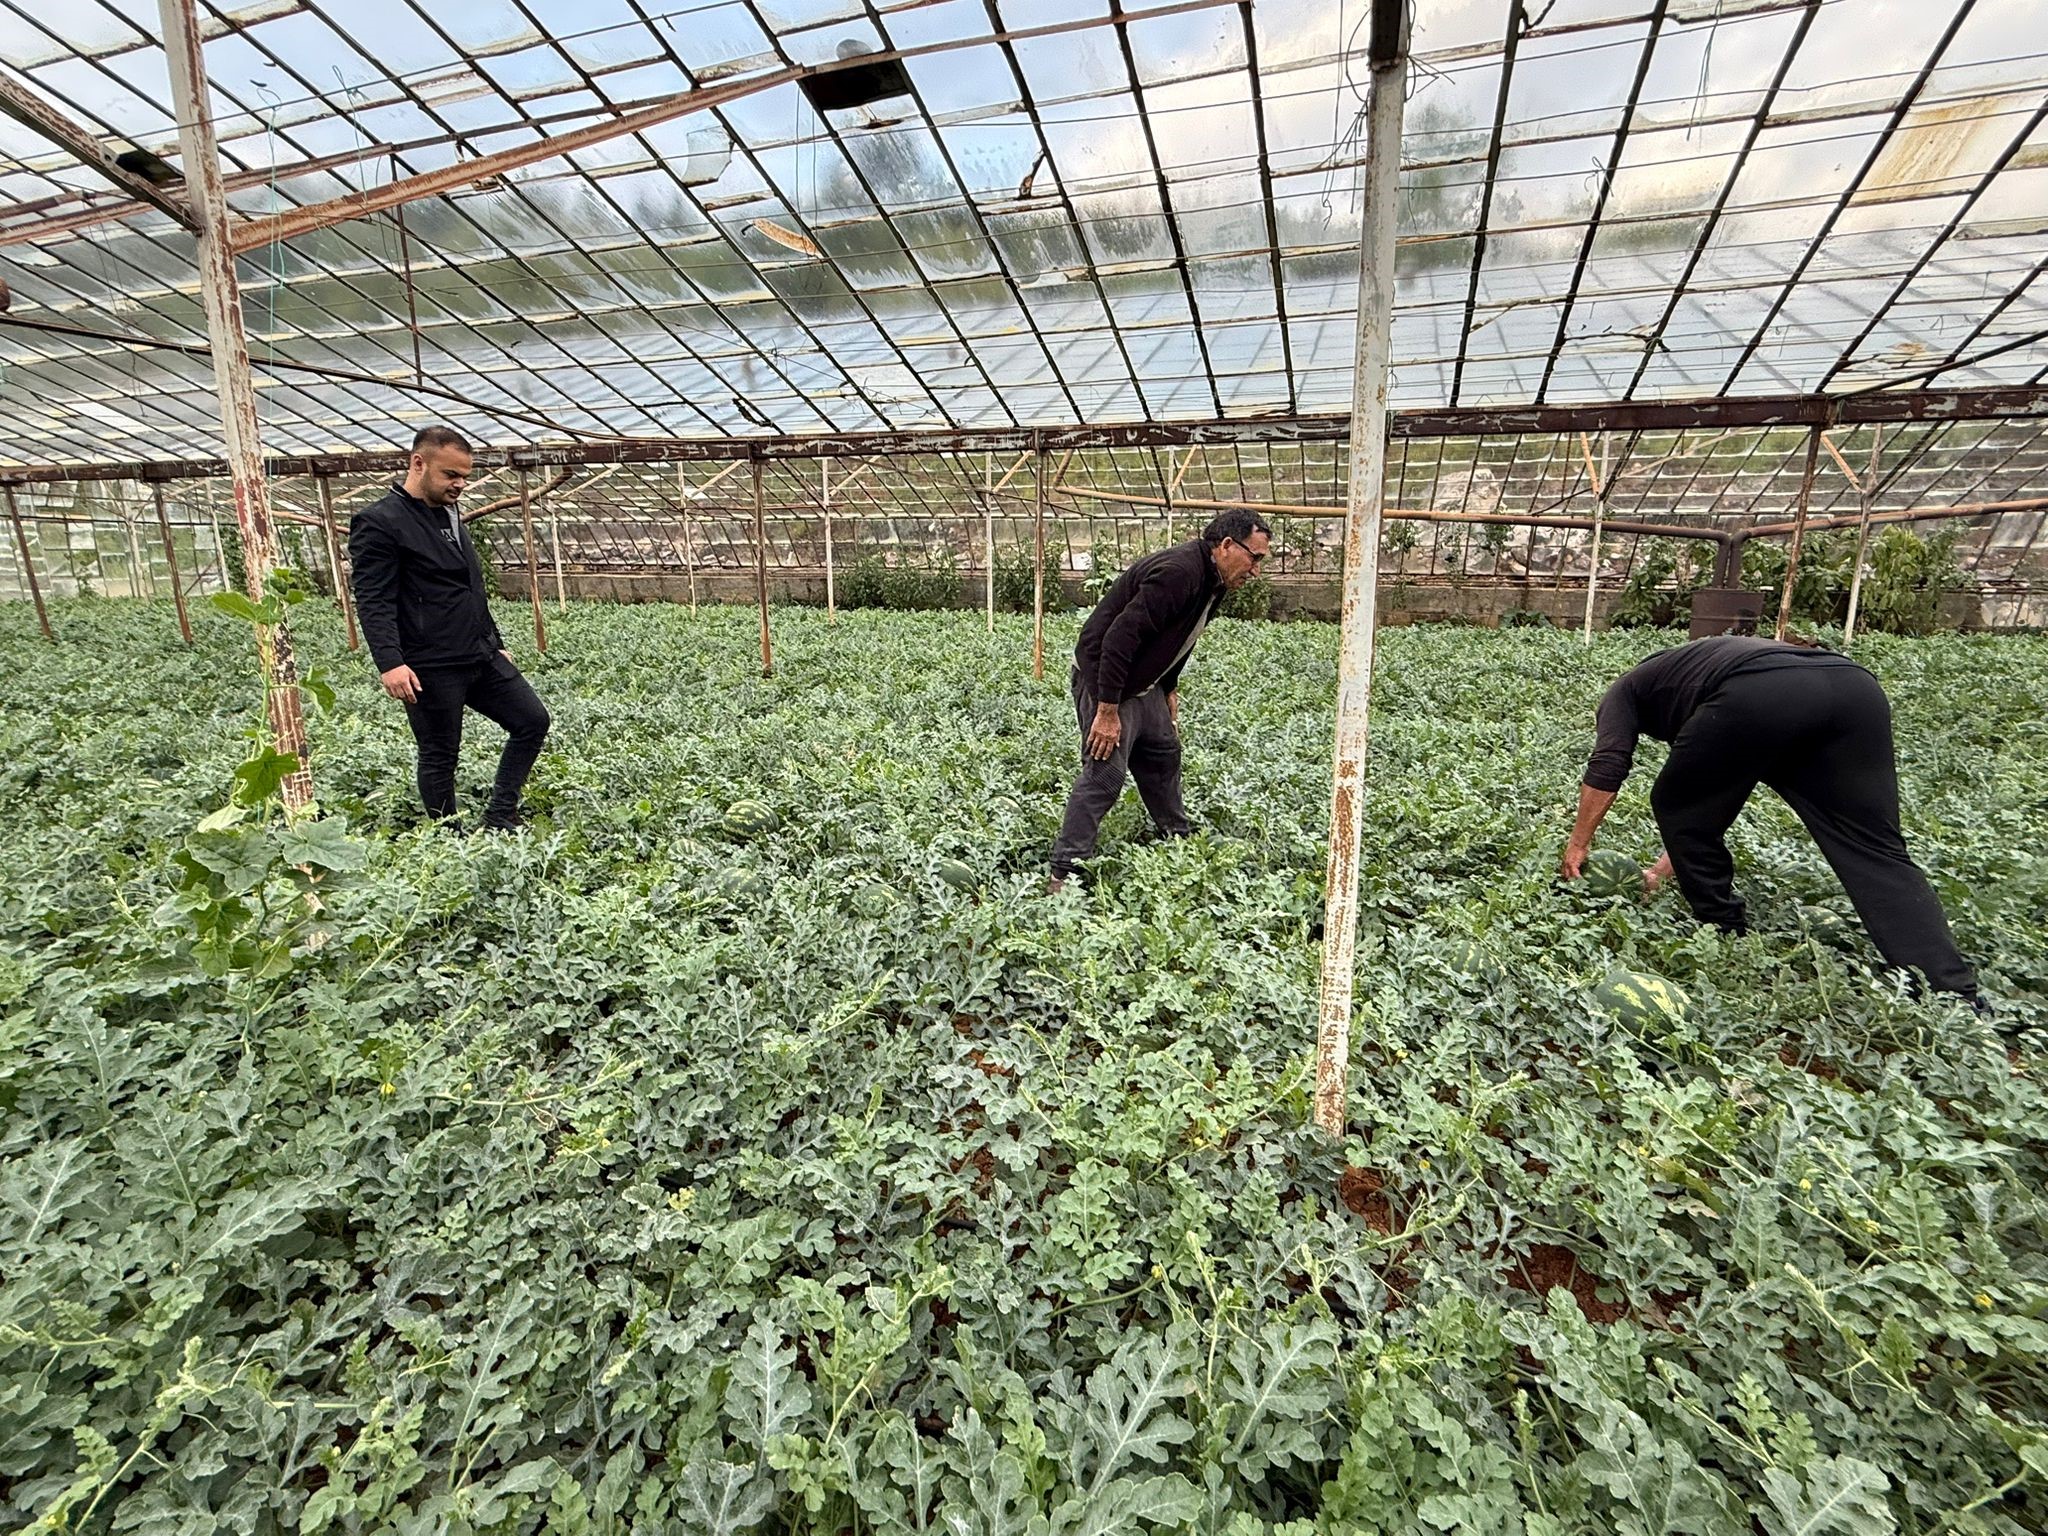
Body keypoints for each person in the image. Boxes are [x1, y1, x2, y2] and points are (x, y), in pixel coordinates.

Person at [1560, 633, 1979, 1003]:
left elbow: (1609, 764)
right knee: (1872, 845)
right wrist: (1663, 871)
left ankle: (1722, 926)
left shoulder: (1623, 691)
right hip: (1856, 688)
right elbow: (1713, 798)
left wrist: (1578, 844)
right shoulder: (1699, 670)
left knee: (1672, 800)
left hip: (1765, 691)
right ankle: (1952, 992)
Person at [1048, 510, 1272, 891]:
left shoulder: (1215, 581)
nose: (1256, 571)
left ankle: (1176, 836)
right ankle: (1063, 873)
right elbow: (1118, 638)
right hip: (1107, 679)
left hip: (1143, 682)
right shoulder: (1179, 573)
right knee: (1105, 774)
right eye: (1255, 558)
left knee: (1163, 752)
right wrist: (1107, 710)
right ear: (1226, 546)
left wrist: (1168, 687)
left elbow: (1182, 636)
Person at [349, 425, 550, 832]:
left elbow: (470, 587)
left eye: (464, 476)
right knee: (440, 752)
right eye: (451, 475)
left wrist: (494, 641)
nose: (460, 484)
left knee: (532, 721)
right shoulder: (380, 522)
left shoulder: (449, 514)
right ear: (418, 463)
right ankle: (448, 837)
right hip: (430, 662)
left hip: (479, 654)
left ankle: (500, 815)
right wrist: (390, 663)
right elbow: (374, 599)